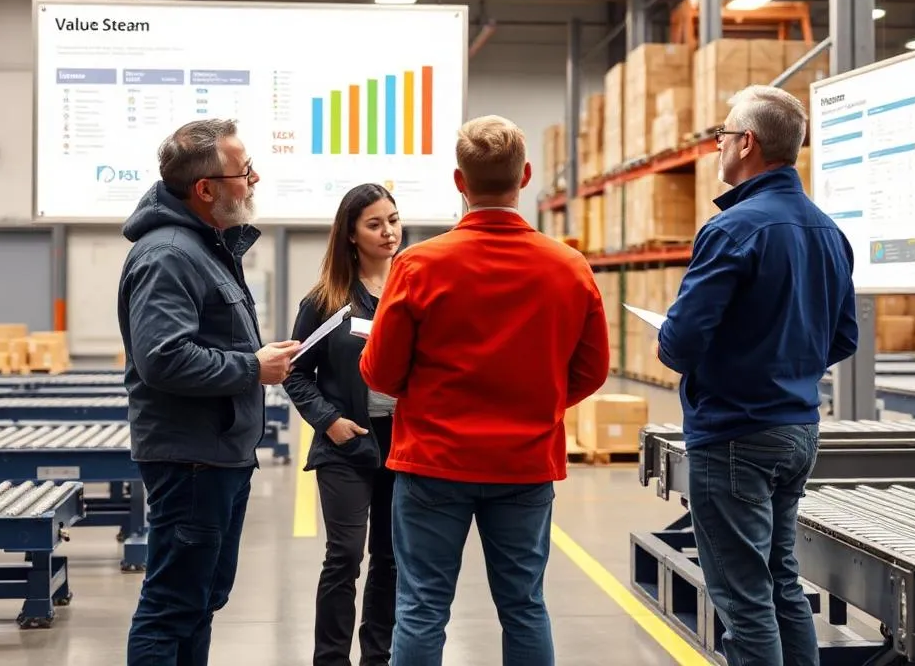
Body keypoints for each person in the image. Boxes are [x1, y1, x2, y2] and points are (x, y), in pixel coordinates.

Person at [358, 115, 611, 666]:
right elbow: (592, 369)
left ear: (459, 181)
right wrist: (539, 402)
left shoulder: (418, 265)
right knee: (524, 606)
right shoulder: (568, 267)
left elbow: (379, 372)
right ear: (526, 176)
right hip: (524, 464)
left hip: (432, 462)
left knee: (422, 607)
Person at [655, 85, 858, 666]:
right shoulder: (828, 232)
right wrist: (784, 363)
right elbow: (844, 337)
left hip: (734, 435)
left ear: (746, 143)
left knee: (745, 601)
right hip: (798, 431)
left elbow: (681, 343)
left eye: (722, 135)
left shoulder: (732, 230)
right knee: (781, 581)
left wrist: (674, 338)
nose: (717, 146)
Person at [118, 118, 302, 666]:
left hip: (217, 454)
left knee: (199, 601)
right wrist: (252, 367)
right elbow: (163, 358)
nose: (254, 179)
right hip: (192, 459)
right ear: (204, 188)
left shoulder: (204, 248)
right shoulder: (169, 255)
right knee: (172, 606)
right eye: (244, 171)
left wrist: (254, 361)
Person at [287, 183, 403, 666]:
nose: (388, 232)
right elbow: (294, 371)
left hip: (403, 444)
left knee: (392, 558)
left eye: (393, 220)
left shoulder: (411, 291)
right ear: (351, 234)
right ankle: (331, 659)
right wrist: (329, 421)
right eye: (374, 224)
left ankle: (378, 656)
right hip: (346, 444)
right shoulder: (326, 301)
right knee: (345, 556)